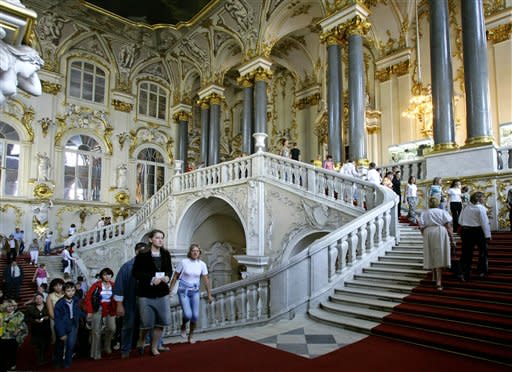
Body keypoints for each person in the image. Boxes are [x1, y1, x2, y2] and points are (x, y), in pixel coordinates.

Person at [132, 229, 172, 356]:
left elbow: (169, 270)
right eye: (157, 238)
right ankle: (142, 339)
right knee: (146, 323)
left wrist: (167, 277)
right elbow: (135, 273)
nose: (160, 240)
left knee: (161, 321)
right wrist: (150, 279)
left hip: (162, 293)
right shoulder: (142, 255)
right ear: (150, 239)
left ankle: (154, 347)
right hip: (146, 293)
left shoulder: (166, 254)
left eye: (162, 238)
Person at [169, 244, 213, 344]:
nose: (195, 252)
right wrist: (170, 290)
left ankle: (191, 335)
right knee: (188, 314)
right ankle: (183, 325)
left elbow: (206, 280)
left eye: (197, 251)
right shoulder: (184, 262)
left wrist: (209, 294)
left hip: (195, 292)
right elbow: (175, 276)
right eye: (193, 250)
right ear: (190, 252)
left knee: (195, 316)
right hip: (183, 291)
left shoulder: (202, 264)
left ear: (199, 253)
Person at [114, 242, 147, 359]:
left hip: (146, 301)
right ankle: (125, 349)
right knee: (128, 325)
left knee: (147, 324)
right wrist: (119, 305)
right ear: (136, 252)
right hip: (130, 301)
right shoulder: (127, 267)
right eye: (141, 252)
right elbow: (119, 286)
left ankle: (143, 345)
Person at [419, 197, 455, 291]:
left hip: (428, 232)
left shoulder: (425, 212)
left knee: (431, 254)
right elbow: (448, 226)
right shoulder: (442, 212)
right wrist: (452, 239)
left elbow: (421, 227)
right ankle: (438, 282)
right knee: (439, 255)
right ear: (438, 203)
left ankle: (434, 277)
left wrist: (424, 235)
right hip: (439, 231)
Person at [85, 267, 117, 360]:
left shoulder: (113, 285)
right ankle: (96, 353)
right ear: (102, 276)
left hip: (110, 309)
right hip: (98, 309)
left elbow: (117, 297)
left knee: (112, 328)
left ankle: (107, 345)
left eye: (109, 274)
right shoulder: (96, 285)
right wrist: (90, 311)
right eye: (105, 274)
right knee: (96, 331)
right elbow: (88, 298)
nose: (107, 276)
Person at [458, 192, 492, 281]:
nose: (484, 200)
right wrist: (488, 235)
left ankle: (465, 274)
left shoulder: (465, 207)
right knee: (482, 252)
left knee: (466, 253)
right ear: (478, 199)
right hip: (478, 231)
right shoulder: (481, 209)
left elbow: (460, 220)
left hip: (466, 232)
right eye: (483, 198)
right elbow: (484, 223)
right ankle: (482, 270)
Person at [53, 282, 82, 369]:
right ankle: (58, 362)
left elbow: (78, 311)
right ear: (64, 292)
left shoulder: (76, 300)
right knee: (60, 346)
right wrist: (61, 333)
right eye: (68, 291)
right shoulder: (59, 304)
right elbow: (57, 320)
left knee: (71, 345)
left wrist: (86, 315)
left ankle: (67, 363)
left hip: (73, 324)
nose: (71, 293)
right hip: (62, 326)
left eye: (73, 290)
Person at [0, 299, 28, 371]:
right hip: (2, 337)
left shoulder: (19, 315)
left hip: (13, 337)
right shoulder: (2, 314)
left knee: (12, 353)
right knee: (3, 354)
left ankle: (12, 366)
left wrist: (18, 329)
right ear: (5, 307)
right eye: (9, 306)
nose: (11, 308)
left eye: (12, 306)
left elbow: (23, 325)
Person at [25, 293, 51, 366]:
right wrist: (34, 320)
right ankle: (40, 359)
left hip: (46, 328)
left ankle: (44, 357)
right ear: (34, 300)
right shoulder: (30, 308)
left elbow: (52, 314)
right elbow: (26, 319)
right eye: (37, 298)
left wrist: (48, 317)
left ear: (43, 298)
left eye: (40, 298)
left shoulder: (48, 305)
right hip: (36, 329)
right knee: (38, 345)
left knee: (46, 344)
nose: (39, 300)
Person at [46, 278, 65, 344]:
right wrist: (59, 321)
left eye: (60, 285)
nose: (58, 287)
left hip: (67, 319)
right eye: (55, 285)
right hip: (55, 320)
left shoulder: (66, 294)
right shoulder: (50, 296)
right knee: (57, 340)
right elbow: (51, 312)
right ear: (52, 287)